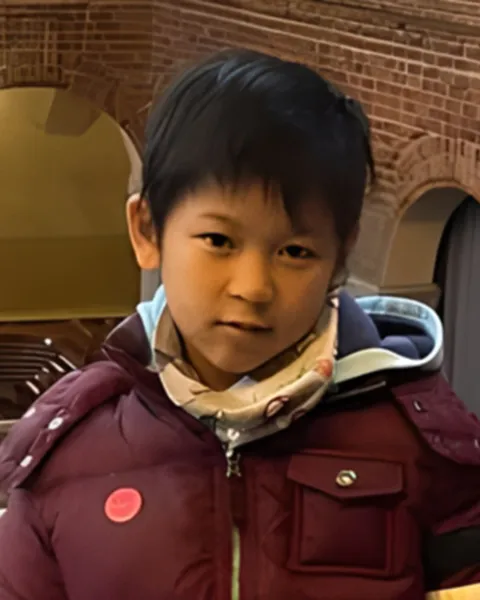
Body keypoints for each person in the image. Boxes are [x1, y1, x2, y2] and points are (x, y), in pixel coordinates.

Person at [0, 49, 479, 600]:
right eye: (219, 241)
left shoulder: (428, 445)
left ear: (339, 257)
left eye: (295, 251)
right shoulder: (66, 450)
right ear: (148, 230)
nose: (253, 287)